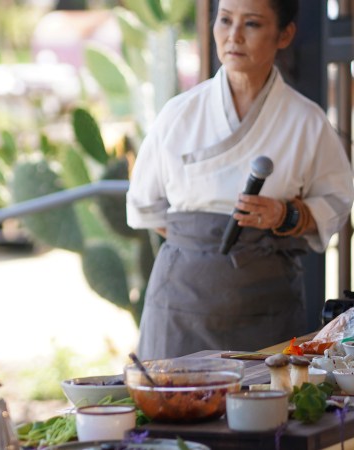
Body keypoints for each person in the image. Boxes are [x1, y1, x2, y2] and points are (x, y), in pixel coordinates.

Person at [126, 0, 354, 360]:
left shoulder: (307, 121)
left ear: (285, 34)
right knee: (168, 410)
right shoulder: (179, 113)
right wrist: (202, 247)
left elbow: (336, 204)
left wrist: (285, 216)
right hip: (180, 302)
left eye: (251, 24)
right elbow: (146, 207)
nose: (233, 36)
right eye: (225, 20)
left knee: (268, 411)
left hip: (266, 303)